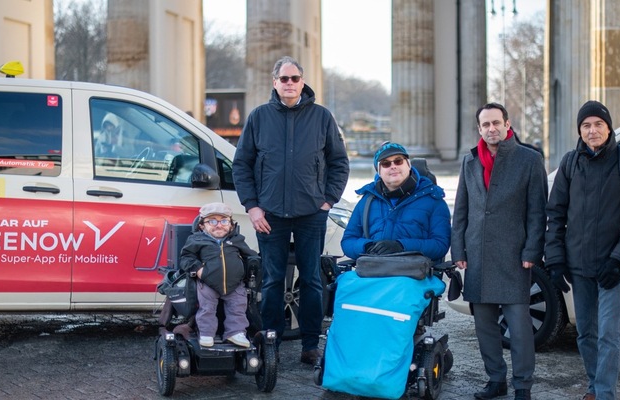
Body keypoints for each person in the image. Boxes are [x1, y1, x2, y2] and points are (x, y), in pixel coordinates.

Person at [232, 56, 350, 365]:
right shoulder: (259, 117)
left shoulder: (322, 117)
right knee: (272, 280)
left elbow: (339, 163)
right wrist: (252, 207)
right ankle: (271, 341)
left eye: (294, 78)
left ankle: (310, 345)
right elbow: (241, 165)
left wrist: (327, 201)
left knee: (311, 279)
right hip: (270, 214)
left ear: (302, 82)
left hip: (311, 213)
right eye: (283, 79)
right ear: (274, 83)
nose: (289, 83)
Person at [545, 100, 620, 400]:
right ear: (580, 130)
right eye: (586, 125)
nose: (592, 131)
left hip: (612, 267)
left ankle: (605, 393)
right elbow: (556, 214)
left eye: (598, 124)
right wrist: (555, 260)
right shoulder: (570, 163)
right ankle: (595, 385)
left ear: (608, 128)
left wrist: (619, 260)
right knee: (586, 333)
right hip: (578, 265)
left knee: (608, 333)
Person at [450, 102, 547, 400]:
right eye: (485, 124)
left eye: (496, 123)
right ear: (479, 129)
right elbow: (461, 210)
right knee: (485, 327)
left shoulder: (529, 159)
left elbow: (537, 212)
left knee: (519, 328)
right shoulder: (469, 162)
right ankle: (496, 380)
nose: (491, 129)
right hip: (477, 256)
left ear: (507, 124)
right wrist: (458, 250)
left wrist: (532, 251)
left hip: (514, 256)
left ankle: (523, 385)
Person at [340, 142, 451, 262]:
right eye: (386, 163)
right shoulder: (367, 200)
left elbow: (440, 244)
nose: (393, 166)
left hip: (415, 270)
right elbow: (348, 240)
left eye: (398, 161)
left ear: (408, 165)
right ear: (379, 171)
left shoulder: (433, 199)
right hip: (374, 267)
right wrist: (367, 247)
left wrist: (401, 246)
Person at [179, 202, 258, 349]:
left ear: (231, 225)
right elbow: (186, 257)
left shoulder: (237, 240)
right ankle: (206, 333)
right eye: (212, 221)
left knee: (238, 306)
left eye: (224, 221)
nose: (219, 225)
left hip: (235, 282)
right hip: (208, 281)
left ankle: (235, 333)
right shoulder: (197, 240)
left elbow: (250, 256)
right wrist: (199, 269)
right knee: (206, 308)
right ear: (202, 225)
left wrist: (250, 268)